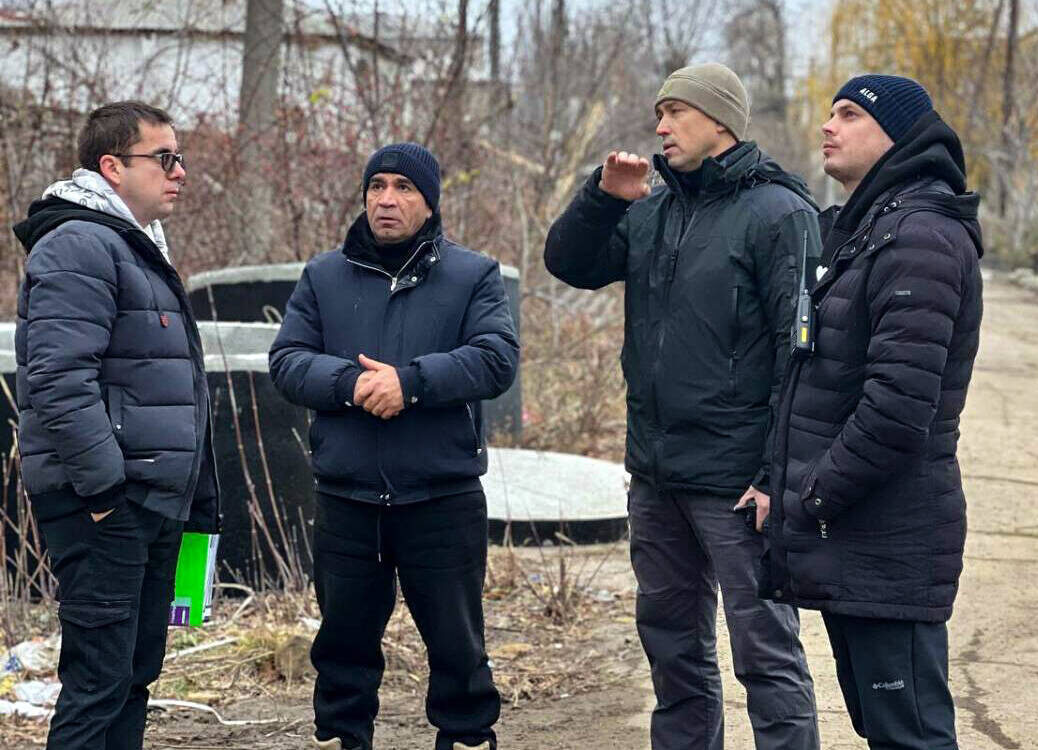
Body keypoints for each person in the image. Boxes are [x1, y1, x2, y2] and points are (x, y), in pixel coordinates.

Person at [544, 62, 821, 750]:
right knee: (673, 654)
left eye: (676, 112)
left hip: (738, 485)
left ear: (720, 120)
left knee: (766, 656)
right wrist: (603, 198)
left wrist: (776, 474)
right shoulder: (651, 212)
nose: (661, 126)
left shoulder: (780, 213)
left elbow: (801, 359)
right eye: (659, 113)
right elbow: (569, 263)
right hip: (658, 476)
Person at [269, 143, 518, 750]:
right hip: (348, 499)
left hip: (441, 496)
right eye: (377, 186)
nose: (387, 199)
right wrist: (351, 385)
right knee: (343, 645)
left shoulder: (472, 275)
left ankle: (466, 738)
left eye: (404, 188)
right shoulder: (324, 276)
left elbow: (495, 358)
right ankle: (341, 738)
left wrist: (410, 383)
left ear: (429, 203)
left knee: (458, 644)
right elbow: (288, 360)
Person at [761, 74, 985, 750]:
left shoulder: (921, 237)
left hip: (889, 536)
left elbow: (897, 408)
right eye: (830, 112)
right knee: (887, 729)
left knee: (911, 735)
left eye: (850, 114)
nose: (828, 125)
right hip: (857, 534)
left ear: (898, 135)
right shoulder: (872, 230)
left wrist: (812, 495)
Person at [12, 101, 219, 750]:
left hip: (148, 499)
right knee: (99, 684)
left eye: (180, 158)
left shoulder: (133, 246)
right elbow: (57, 379)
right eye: (164, 158)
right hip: (105, 504)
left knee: (132, 677)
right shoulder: (80, 244)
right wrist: (105, 496)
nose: (179, 171)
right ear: (111, 166)